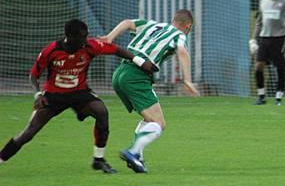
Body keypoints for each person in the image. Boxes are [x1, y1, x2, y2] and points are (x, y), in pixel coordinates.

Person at [0, 19, 155, 173]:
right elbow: (34, 75)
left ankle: (98, 160)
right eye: (82, 36)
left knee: (101, 112)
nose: (85, 40)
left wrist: (140, 62)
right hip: (54, 96)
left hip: (79, 93)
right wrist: (38, 94)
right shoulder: (52, 50)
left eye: (86, 35)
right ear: (70, 36)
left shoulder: (90, 46)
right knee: (28, 133)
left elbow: (116, 50)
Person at [101, 9, 200, 173]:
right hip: (136, 76)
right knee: (158, 123)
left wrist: (110, 38)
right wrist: (188, 79)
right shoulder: (179, 35)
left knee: (150, 119)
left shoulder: (153, 25)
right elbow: (182, 51)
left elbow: (126, 22)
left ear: (173, 19)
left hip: (120, 73)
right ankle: (132, 152)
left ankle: (137, 157)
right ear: (188, 26)